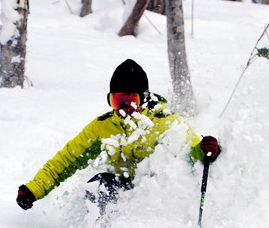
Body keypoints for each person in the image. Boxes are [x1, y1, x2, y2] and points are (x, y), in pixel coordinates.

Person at [16, 59, 221, 214]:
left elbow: (192, 150)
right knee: (100, 184)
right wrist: (34, 189)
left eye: (130, 100)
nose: (124, 109)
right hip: (121, 191)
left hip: (155, 195)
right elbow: (67, 159)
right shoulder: (104, 127)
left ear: (144, 98)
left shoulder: (165, 122)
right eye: (117, 101)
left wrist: (204, 150)